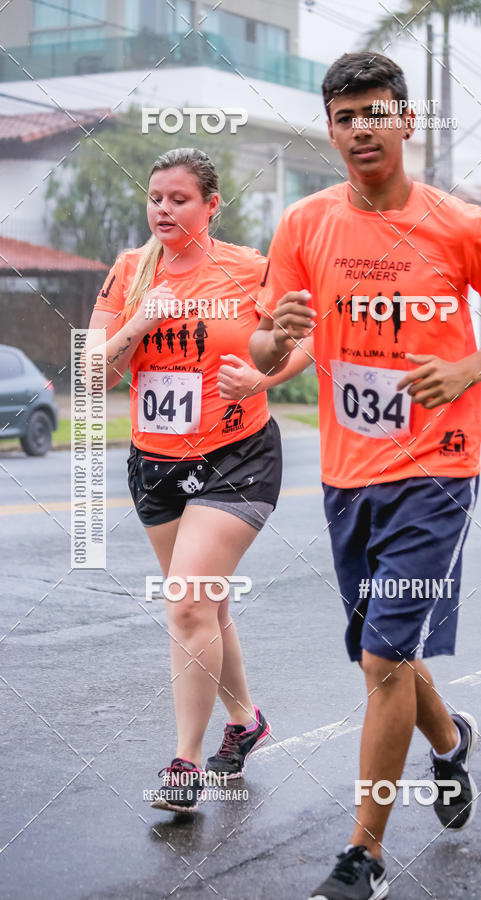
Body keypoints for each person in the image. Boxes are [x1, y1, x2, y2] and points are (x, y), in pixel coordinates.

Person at [250, 52, 481, 900]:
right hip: (349, 474)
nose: (360, 129)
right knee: (389, 655)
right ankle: (450, 747)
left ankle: (364, 856)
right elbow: (267, 345)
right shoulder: (305, 224)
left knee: (383, 657)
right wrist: (276, 336)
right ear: (332, 129)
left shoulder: (457, 223)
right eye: (344, 117)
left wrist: (469, 370)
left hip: (437, 470)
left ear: (407, 122)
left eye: (376, 112)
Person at [86, 147, 313, 812]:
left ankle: (185, 760)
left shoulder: (247, 268)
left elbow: (302, 340)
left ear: (211, 205)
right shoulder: (129, 271)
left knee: (187, 604)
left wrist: (263, 376)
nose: (163, 208)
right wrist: (139, 319)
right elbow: (92, 373)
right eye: (155, 197)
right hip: (154, 461)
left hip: (236, 456)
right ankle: (247, 722)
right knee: (205, 607)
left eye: (178, 198)